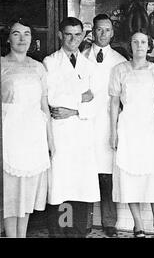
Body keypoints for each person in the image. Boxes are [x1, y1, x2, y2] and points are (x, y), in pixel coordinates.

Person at [109, 32, 154, 238]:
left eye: (143, 42)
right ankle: (138, 224)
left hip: (151, 128)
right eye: (135, 42)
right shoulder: (119, 70)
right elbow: (114, 103)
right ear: (130, 46)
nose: (139, 46)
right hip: (128, 128)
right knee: (129, 176)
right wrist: (113, 132)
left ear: (149, 46)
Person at [43, 17, 100, 238]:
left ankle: (77, 234)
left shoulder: (89, 65)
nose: (73, 39)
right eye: (68, 34)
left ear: (83, 36)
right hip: (61, 133)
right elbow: (53, 97)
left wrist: (75, 110)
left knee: (80, 187)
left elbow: (96, 103)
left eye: (78, 35)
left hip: (82, 133)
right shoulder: (50, 62)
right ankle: (58, 234)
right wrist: (81, 97)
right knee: (60, 186)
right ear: (60, 35)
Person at [1, 19, 54, 238]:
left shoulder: (38, 67)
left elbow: (44, 105)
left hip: (33, 136)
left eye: (26, 34)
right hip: (10, 134)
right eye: (16, 34)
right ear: (8, 38)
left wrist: (50, 139)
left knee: (28, 190)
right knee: (11, 191)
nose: (22, 39)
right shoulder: (1, 64)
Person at [82, 14, 126, 237]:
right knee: (87, 172)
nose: (103, 34)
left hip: (109, 123)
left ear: (112, 32)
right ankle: (85, 221)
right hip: (87, 121)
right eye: (99, 30)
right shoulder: (81, 57)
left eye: (107, 30)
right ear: (93, 32)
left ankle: (109, 222)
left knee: (107, 175)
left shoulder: (120, 61)